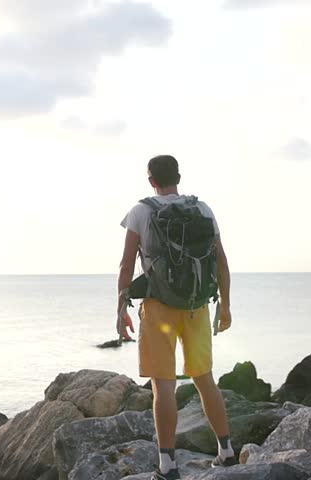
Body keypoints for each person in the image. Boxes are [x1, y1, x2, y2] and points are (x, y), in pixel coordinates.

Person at [117, 155, 237, 480]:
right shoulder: (203, 209)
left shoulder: (141, 211)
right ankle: (226, 452)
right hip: (197, 306)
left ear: (150, 180)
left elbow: (127, 265)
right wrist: (224, 306)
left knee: (163, 387)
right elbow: (221, 260)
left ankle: (167, 466)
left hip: (158, 308)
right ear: (179, 176)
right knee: (205, 379)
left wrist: (120, 310)